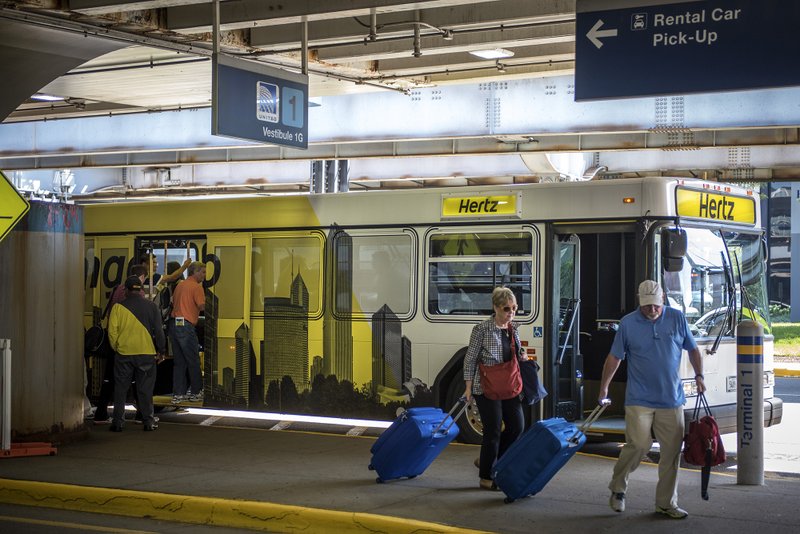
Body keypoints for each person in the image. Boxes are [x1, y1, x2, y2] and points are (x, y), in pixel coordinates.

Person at [599, 280, 705, 519]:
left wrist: (699, 375)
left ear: (663, 299)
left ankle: (666, 503)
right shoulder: (628, 323)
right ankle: (618, 488)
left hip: (671, 399)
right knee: (638, 445)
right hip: (639, 399)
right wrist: (603, 388)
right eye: (647, 306)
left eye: (656, 305)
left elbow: (693, 349)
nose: (652, 310)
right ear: (640, 302)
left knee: (671, 453)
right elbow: (614, 358)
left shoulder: (677, 318)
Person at [463, 287, 527, 490]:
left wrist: (523, 355)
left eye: (514, 308)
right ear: (496, 307)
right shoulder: (481, 329)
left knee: (517, 426)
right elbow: (470, 359)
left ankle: (490, 461)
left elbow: (517, 351)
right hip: (486, 387)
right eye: (507, 308)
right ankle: (485, 476)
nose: (511, 312)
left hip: (509, 385)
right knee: (493, 431)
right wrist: (468, 388)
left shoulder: (513, 328)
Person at [107, 275, 166, 432]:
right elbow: (159, 331)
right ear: (140, 290)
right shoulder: (152, 307)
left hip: (124, 354)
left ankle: (118, 422)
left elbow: (112, 332)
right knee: (145, 390)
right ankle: (148, 421)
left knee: (121, 389)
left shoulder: (118, 307)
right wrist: (161, 350)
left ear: (126, 290)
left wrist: (117, 347)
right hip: (146, 354)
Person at [93, 264, 148, 424]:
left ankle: (102, 413)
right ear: (142, 278)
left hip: (116, 343)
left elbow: (113, 322)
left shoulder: (118, 289)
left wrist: (115, 344)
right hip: (131, 344)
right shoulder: (139, 295)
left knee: (110, 379)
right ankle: (141, 415)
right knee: (138, 379)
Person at [169, 260, 206, 404]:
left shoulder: (180, 285)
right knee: (193, 360)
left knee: (179, 362)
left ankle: (178, 394)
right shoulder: (196, 287)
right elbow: (201, 306)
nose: (204, 275)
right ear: (195, 272)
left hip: (174, 325)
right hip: (186, 326)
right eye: (202, 272)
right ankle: (196, 392)